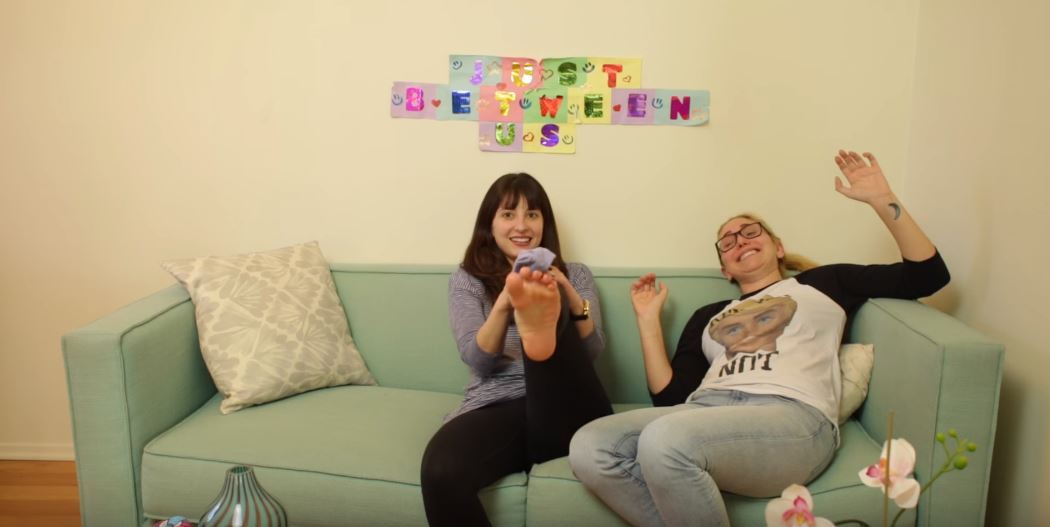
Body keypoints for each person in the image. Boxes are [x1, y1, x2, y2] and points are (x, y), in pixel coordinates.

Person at [568, 150, 950, 527]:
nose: (739, 241)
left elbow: (928, 275)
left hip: (792, 416)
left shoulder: (824, 283)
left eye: (750, 232)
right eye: (727, 241)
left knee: (664, 441)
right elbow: (671, 399)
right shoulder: (708, 316)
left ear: (778, 247)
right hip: (704, 413)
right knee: (589, 446)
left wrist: (883, 200)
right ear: (725, 269)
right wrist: (647, 320)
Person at [420, 172, 613, 527]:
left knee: (556, 313)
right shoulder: (467, 279)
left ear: (544, 223)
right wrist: (506, 302)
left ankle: (542, 332)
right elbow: (477, 359)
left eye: (532, 214)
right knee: (441, 470)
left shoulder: (576, 274)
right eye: (509, 214)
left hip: (568, 404)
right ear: (489, 224)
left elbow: (593, 347)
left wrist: (570, 295)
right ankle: (535, 329)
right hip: (501, 405)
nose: (522, 225)